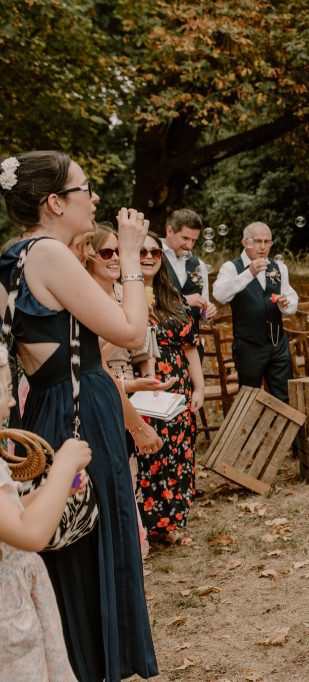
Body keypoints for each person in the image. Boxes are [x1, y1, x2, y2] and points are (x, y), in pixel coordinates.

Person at [0, 150, 158, 680]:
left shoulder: (14, 253)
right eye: (83, 189)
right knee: (93, 542)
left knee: (72, 544)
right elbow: (131, 333)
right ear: (52, 203)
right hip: (81, 407)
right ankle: (96, 665)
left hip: (47, 404)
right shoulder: (49, 252)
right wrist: (131, 256)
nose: (93, 198)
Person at [0, 345, 91, 682]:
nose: (11, 402)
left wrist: (51, 491)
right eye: (5, 391)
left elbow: (9, 517)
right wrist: (62, 466)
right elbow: (29, 534)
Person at [85, 224, 167, 556]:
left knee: (130, 467)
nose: (116, 257)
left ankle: (135, 540)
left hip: (128, 380)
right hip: (105, 386)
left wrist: (149, 378)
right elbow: (93, 359)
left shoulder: (125, 292)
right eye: (107, 252)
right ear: (89, 257)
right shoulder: (84, 298)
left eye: (119, 251)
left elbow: (143, 344)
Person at [134, 232, 203, 545]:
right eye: (141, 250)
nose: (148, 256)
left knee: (177, 452)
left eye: (154, 251)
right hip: (139, 385)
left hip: (177, 385)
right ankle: (144, 525)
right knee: (147, 453)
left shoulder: (173, 298)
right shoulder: (120, 295)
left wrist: (199, 389)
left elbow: (190, 349)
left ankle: (171, 523)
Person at [212, 222, 297, 402]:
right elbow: (219, 295)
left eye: (267, 242)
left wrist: (285, 303)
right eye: (258, 241)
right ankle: (250, 431)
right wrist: (248, 273)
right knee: (249, 399)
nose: (263, 247)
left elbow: (291, 299)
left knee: (285, 397)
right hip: (249, 345)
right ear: (245, 242)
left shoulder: (279, 267)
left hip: (278, 344)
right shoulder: (231, 268)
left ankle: (282, 431)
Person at [161, 208, 217, 329]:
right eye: (185, 238)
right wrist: (184, 300)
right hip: (160, 342)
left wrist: (208, 311)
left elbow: (203, 308)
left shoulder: (199, 266)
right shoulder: (151, 257)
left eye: (194, 240)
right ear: (169, 231)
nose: (189, 246)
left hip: (193, 342)